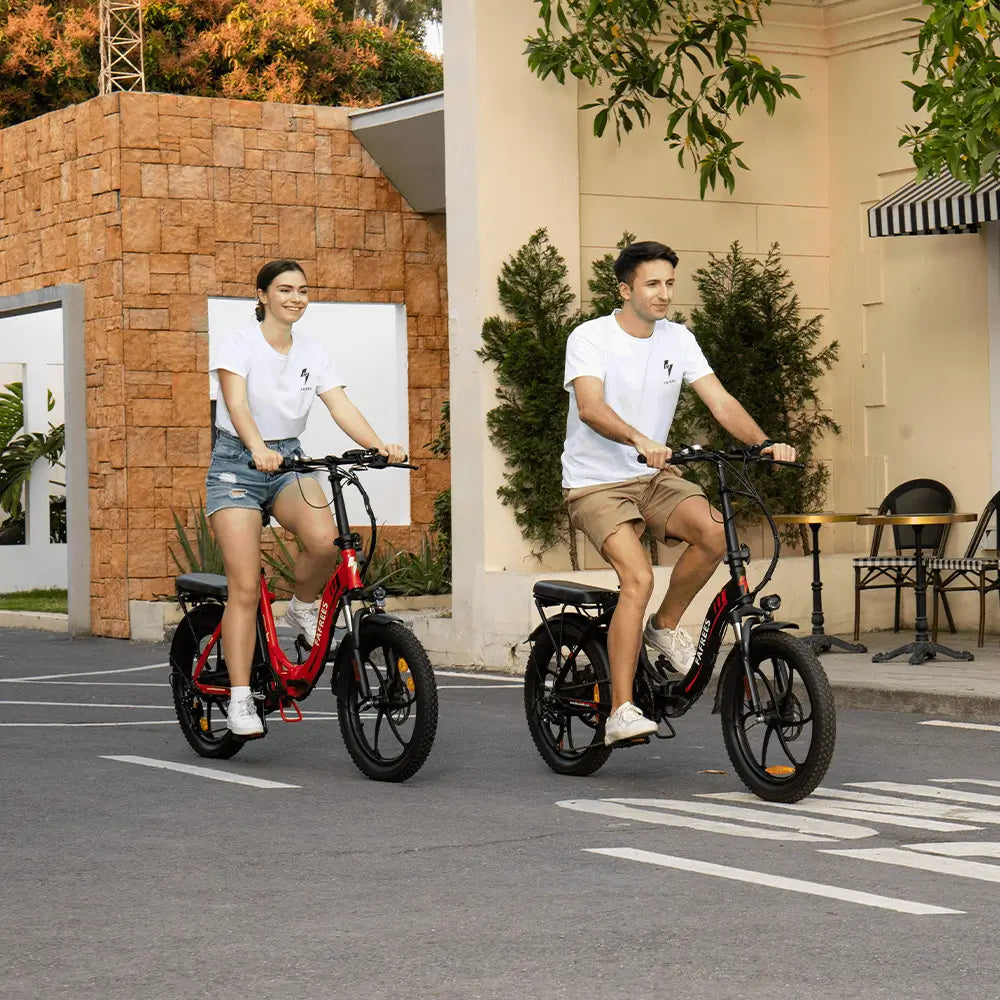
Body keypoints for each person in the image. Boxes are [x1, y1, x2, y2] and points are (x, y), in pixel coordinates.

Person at [561, 240, 796, 746]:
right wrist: (639, 439)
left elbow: (720, 401)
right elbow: (590, 408)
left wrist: (763, 443)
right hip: (595, 482)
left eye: (669, 283)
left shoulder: (678, 339)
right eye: (652, 283)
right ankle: (620, 710)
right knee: (638, 578)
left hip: (653, 477)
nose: (664, 293)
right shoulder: (591, 337)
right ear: (625, 289)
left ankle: (664, 626)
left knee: (716, 535)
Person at [206, 259, 406, 737]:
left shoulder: (312, 351)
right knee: (244, 588)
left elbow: (339, 404)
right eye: (284, 289)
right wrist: (256, 447)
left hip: (289, 461)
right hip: (237, 465)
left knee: (324, 541)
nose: (295, 298)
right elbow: (235, 403)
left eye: (302, 290)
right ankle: (239, 698)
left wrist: (378, 445)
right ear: (262, 296)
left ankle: (302, 604)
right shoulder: (240, 343)